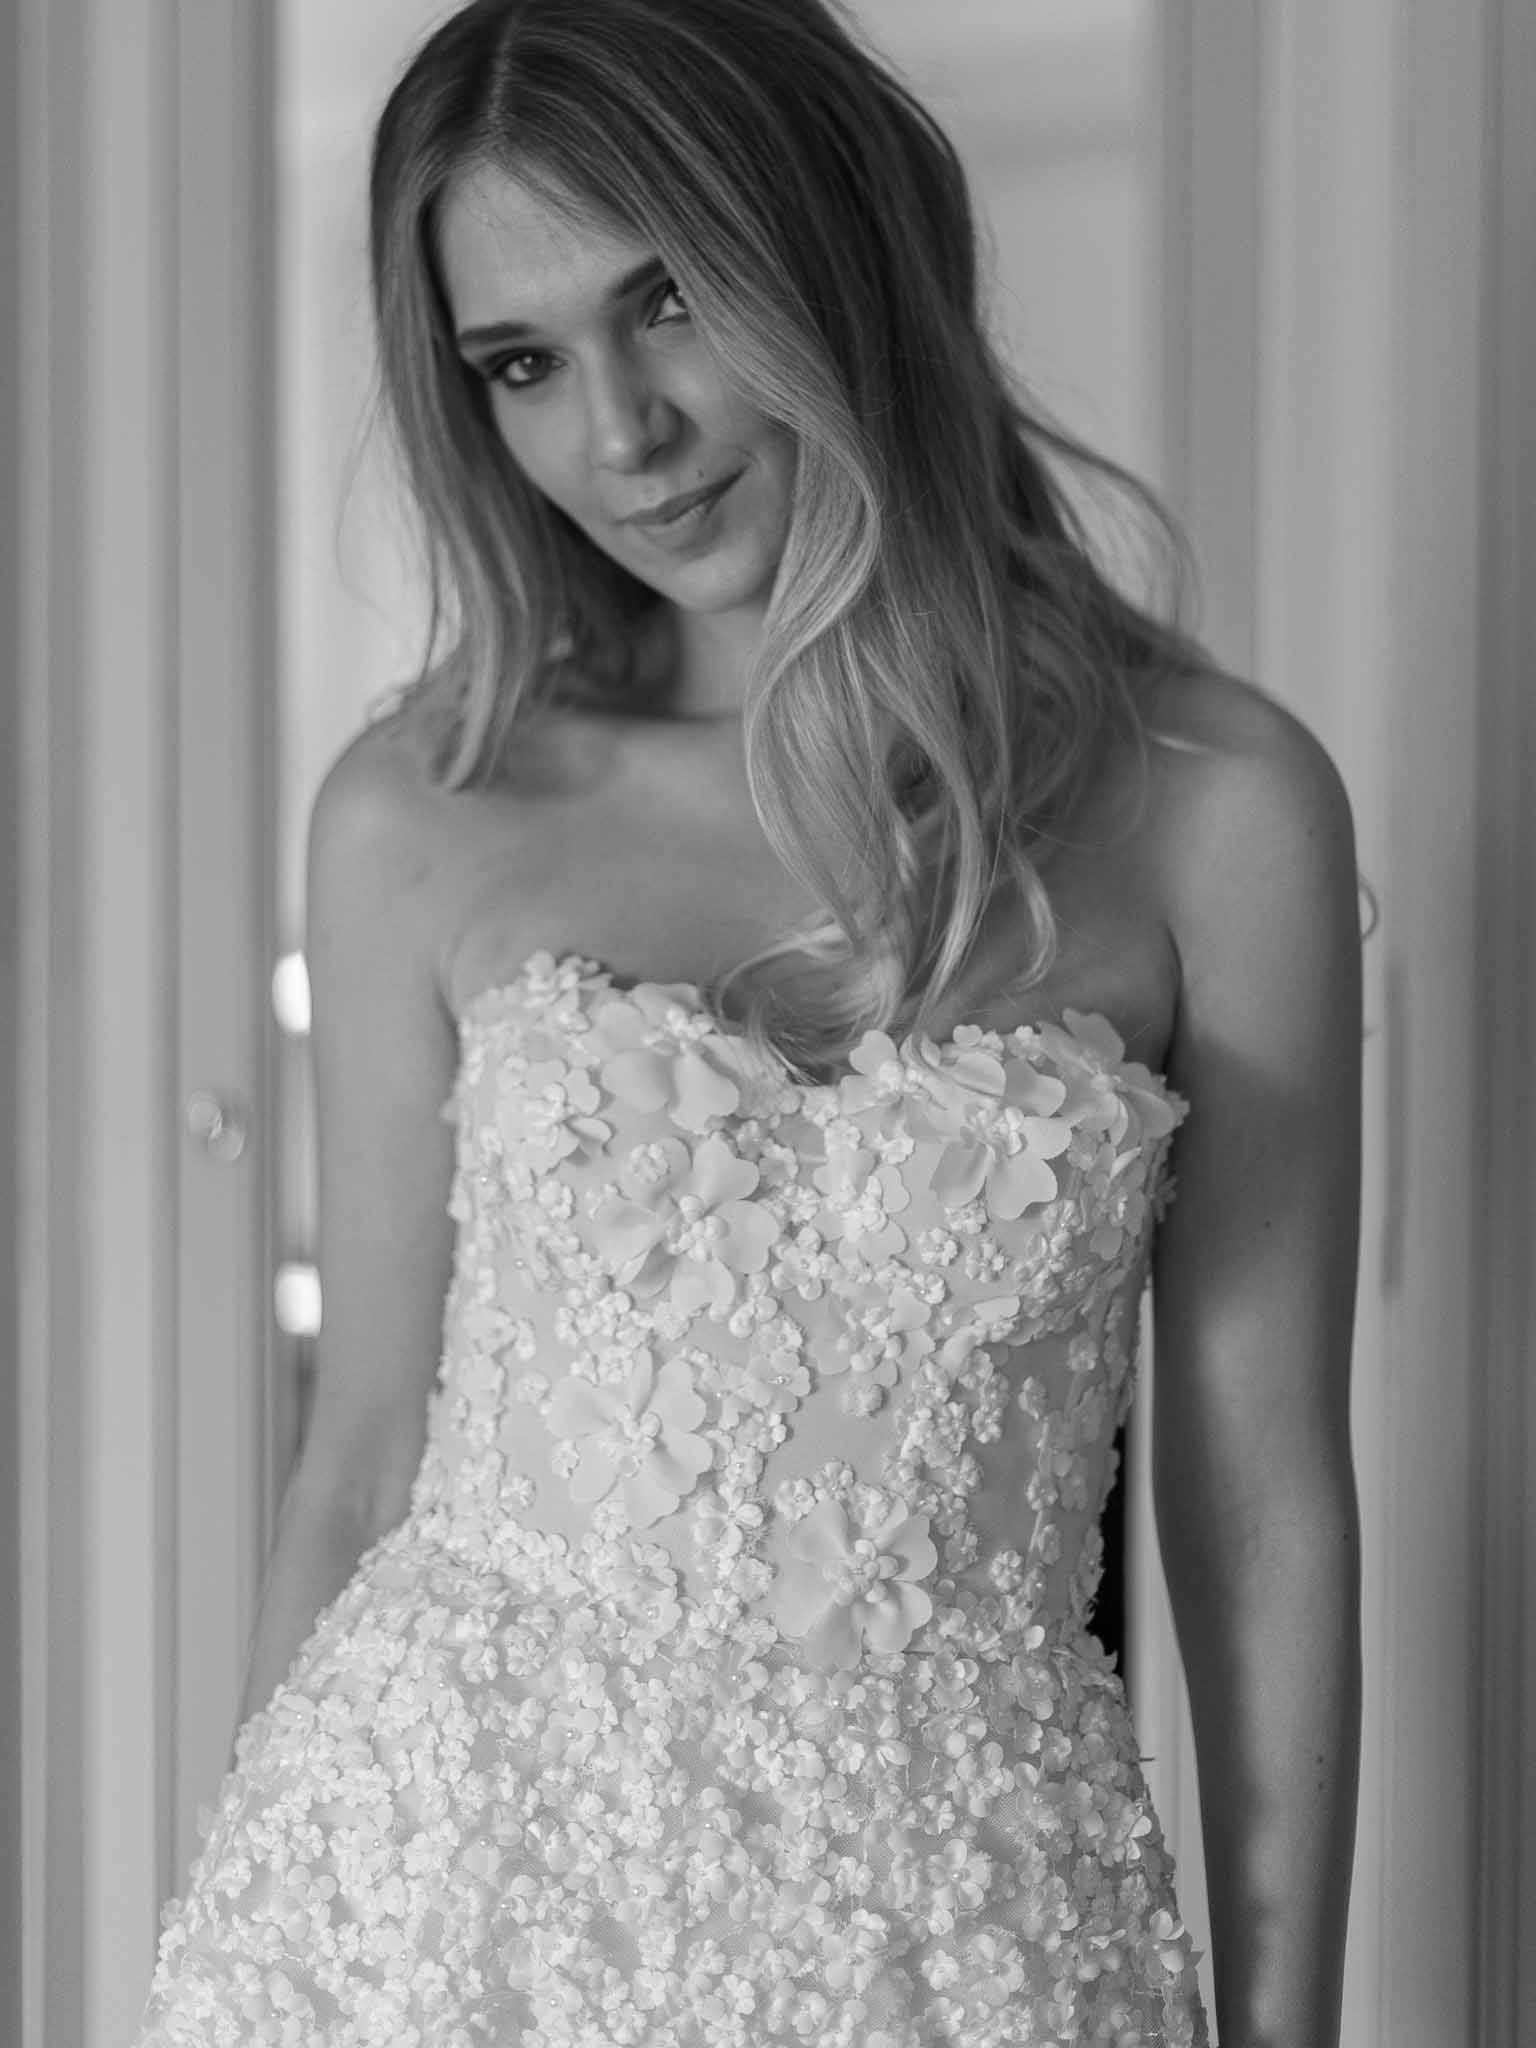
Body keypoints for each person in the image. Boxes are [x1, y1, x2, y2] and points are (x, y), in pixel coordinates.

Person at [131, 1, 1363, 2042]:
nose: (620, 432)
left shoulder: (1216, 805)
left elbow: (1261, 1509)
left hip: (971, 1929)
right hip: (444, 1910)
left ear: (837, 248)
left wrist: (1284, 2023)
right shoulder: (424, 809)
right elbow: (357, 1467)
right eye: (518, 362)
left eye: (670, 297)